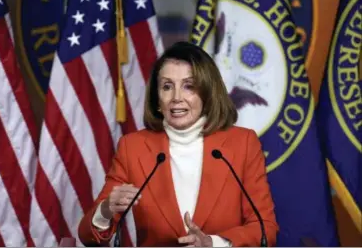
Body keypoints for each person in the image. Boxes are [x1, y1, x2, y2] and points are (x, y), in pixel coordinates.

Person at [78, 41, 278, 247]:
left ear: (207, 93)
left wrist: (212, 243)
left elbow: (265, 229)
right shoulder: (133, 148)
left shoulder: (242, 144)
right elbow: (87, 235)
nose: (176, 98)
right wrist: (106, 210)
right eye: (167, 87)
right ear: (157, 99)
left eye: (189, 86)